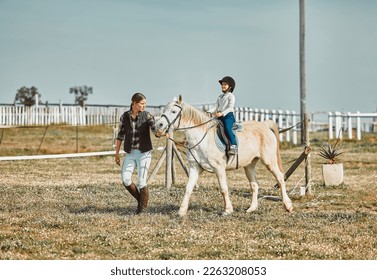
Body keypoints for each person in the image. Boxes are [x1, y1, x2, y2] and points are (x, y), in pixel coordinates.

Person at [115, 93, 155, 214]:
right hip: (130, 153)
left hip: (144, 153)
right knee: (126, 179)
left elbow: (155, 130)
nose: (144, 105)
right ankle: (141, 202)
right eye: (142, 103)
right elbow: (120, 136)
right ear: (134, 103)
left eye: (145, 103)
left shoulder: (147, 116)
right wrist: (116, 154)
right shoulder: (124, 117)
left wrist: (160, 132)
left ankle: (142, 210)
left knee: (141, 182)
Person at [207, 76, 237, 164]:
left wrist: (222, 113)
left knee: (227, 128)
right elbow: (215, 106)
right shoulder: (220, 97)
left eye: (225, 84)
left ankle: (234, 146)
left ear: (230, 87)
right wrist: (208, 112)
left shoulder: (231, 96)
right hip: (219, 117)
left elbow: (230, 108)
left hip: (228, 117)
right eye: (222, 84)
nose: (223, 86)